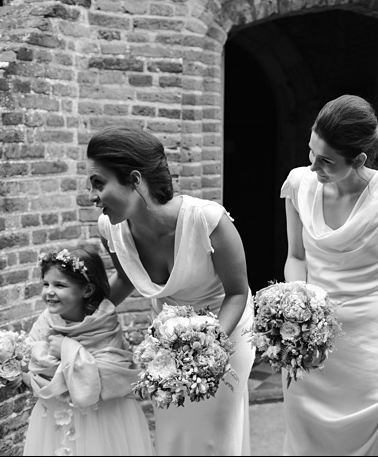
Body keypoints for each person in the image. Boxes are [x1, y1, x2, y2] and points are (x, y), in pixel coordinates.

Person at [90, 127, 255, 455]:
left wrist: (205, 348)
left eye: (98, 183)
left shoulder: (207, 220)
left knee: (214, 439)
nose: (92, 196)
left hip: (226, 332)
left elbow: (237, 292)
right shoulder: (109, 228)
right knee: (172, 436)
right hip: (166, 341)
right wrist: (80, 318)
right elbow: (123, 279)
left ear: (134, 180)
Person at [279, 94, 378, 455]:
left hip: (367, 342)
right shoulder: (298, 184)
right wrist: (296, 306)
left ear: (358, 159)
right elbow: (296, 256)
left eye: (325, 160)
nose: (313, 166)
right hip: (308, 340)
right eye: (311, 151)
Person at [23, 247, 153, 456]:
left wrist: (67, 348)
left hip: (104, 415)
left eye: (60, 285)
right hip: (56, 412)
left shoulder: (106, 324)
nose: (49, 291)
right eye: (46, 284)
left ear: (87, 290)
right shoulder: (45, 321)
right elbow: (35, 365)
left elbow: (108, 376)